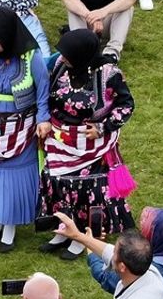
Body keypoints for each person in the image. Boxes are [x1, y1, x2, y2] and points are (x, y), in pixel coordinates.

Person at [37, 29, 135, 260]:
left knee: (83, 190)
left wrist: (103, 127)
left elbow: (126, 105)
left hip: (91, 144)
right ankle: (62, 230)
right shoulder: (61, 66)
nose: (63, 57)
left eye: (69, 54)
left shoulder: (108, 74)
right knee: (58, 184)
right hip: (60, 139)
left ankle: (83, 237)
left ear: (83, 55)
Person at [0, 7, 50, 253]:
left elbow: (43, 89)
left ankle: (9, 231)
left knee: (13, 179)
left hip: (22, 126)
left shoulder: (30, 55)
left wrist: (43, 119)